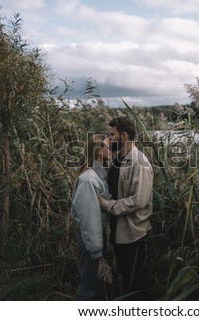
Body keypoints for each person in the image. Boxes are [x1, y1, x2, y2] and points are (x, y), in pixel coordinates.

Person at [98, 116, 153, 300]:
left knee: (136, 283)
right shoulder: (117, 159)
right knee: (125, 279)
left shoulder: (140, 162)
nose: (109, 138)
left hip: (132, 234)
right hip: (116, 232)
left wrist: (107, 205)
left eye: (112, 134)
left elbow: (139, 200)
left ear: (124, 135)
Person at [71, 134, 113, 300]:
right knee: (90, 287)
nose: (111, 150)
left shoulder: (97, 176)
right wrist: (96, 251)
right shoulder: (89, 180)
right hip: (91, 241)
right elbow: (89, 219)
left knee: (94, 285)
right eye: (108, 147)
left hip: (94, 239)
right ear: (98, 151)